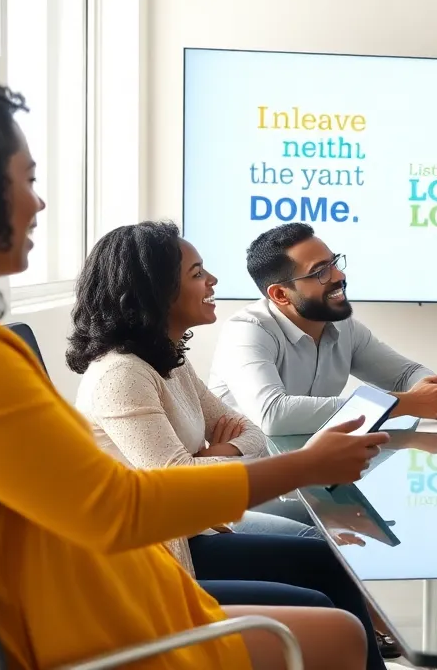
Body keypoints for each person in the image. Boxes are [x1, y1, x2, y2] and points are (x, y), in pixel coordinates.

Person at [0, 56, 385, 670]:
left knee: (323, 604)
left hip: (69, 607)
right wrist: (306, 464)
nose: (37, 204)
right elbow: (121, 509)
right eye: (26, 179)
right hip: (101, 627)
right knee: (342, 636)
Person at [67, 220, 397, 664]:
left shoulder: (168, 361)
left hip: (192, 534)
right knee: (321, 605)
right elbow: (177, 483)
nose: (213, 281)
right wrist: (198, 461)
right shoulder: (121, 375)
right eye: (197, 273)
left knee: (326, 560)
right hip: (156, 566)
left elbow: (253, 435)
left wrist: (212, 455)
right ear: (155, 291)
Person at [208, 222, 437, 435]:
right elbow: (274, 415)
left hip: (312, 466)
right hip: (249, 477)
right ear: (280, 294)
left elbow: (406, 374)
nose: (338, 276)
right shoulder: (246, 331)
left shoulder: (343, 327)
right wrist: (404, 403)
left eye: (334, 263)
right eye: (320, 272)